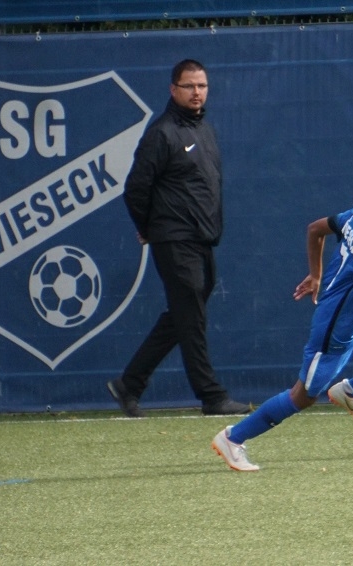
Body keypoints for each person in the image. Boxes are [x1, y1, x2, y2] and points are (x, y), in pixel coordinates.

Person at [212, 156, 353, 471]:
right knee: (304, 395)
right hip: (338, 324)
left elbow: (315, 230)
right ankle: (233, 437)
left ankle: (350, 391)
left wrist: (316, 274)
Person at [107, 59, 249, 417]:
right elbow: (136, 188)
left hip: (202, 240)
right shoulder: (162, 133)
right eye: (189, 86)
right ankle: (212, 396)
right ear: (174, 90)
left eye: (202, 86)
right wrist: (149, 228)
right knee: (192, 318)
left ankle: (130, 383)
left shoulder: (205, 131)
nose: (196, 92)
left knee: (184, 315)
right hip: (174, 239)